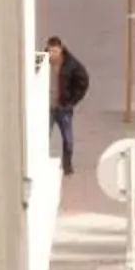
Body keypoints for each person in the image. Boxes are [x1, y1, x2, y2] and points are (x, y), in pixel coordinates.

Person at [45, 37, 89, 177]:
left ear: (61, 49)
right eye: (50, 51)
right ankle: (40, 161)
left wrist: (72, 100)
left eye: (55, 51)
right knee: (42, 136)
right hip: (47, 108)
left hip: (63, 107)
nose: (52, 55)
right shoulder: (41, 60)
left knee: (68, 138)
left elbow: (83, 81)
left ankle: (67, 166)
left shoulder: (71, 64)